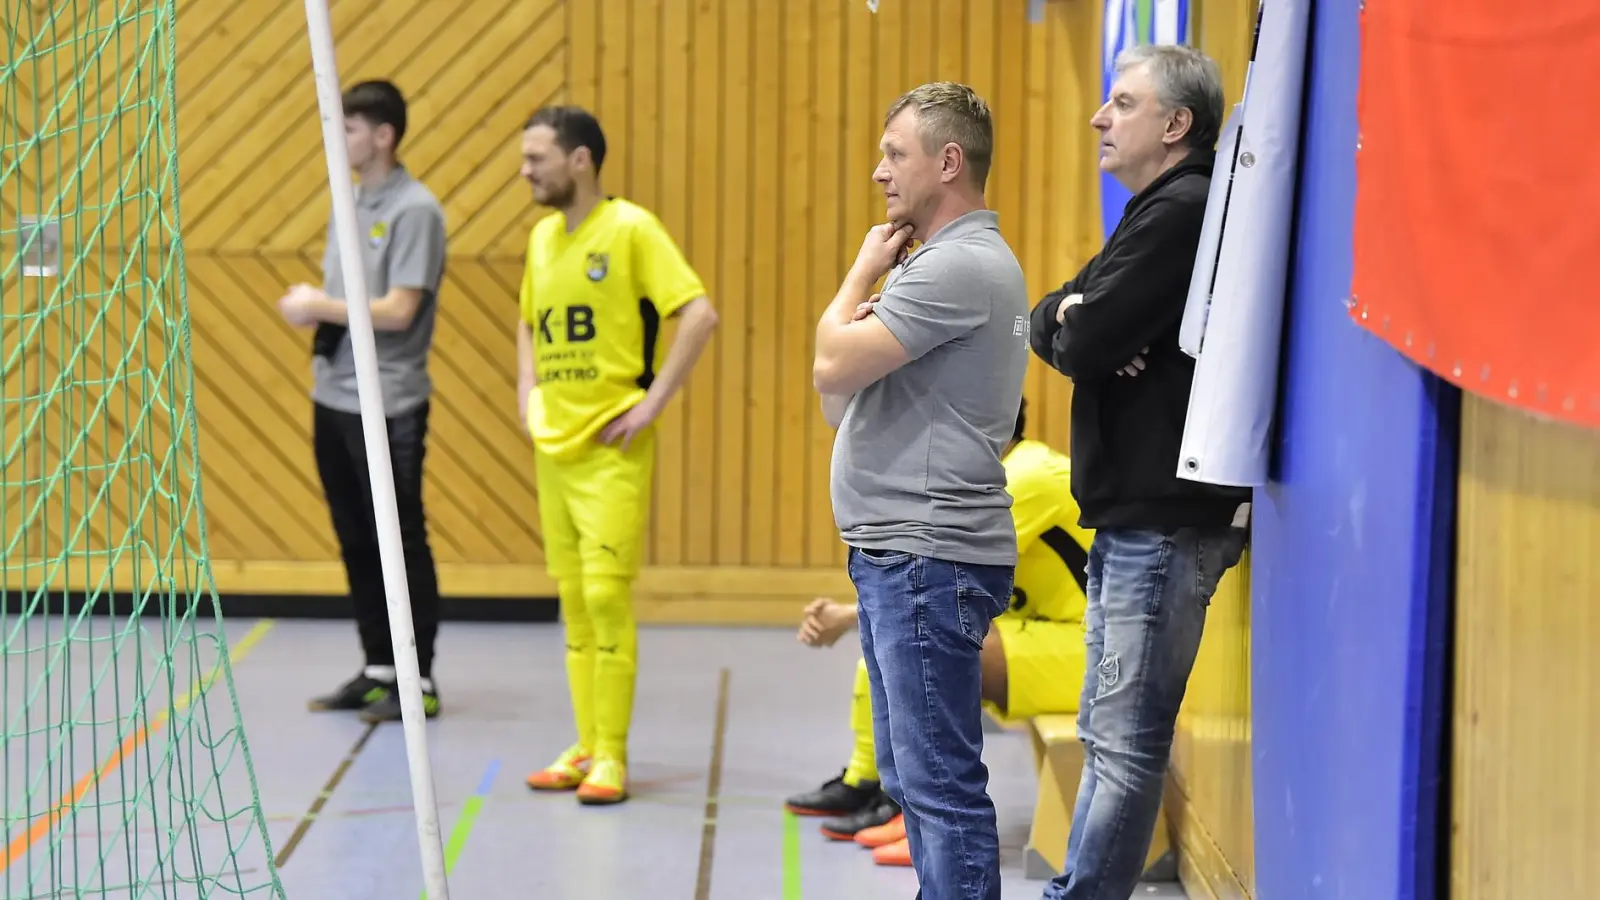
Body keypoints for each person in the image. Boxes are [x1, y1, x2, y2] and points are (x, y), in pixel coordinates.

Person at [1027, 45, 1250, 900]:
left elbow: (1080, 338)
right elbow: (1051, 316)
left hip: (1162, 522)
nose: (1099, 116)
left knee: (1123, 742)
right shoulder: (1155, 209)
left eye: (1121, 103)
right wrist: (1077, 322)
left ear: (1175, 124)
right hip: (1136, 521)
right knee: (1107, 731)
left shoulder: (1180, 211)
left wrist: (1083, 327)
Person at [812, 81, 1029, 900]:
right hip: (909, 554)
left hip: (924, 558)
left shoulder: (957, 267)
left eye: (893, 153)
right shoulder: (952, 264)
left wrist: (860, 274)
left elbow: (830, 365)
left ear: (947, 161)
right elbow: (842, 400)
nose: (879, 173)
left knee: (940, 790)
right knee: (922, 786)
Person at [515, 105, 720, 806]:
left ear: (580, 160)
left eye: (537, 157)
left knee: (605, 597)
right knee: (573, 602)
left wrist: (652, 402)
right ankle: (584, 744)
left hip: (611, 446)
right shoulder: (541, 239)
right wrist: (526, 394)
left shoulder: (631, 228)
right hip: (555, 446)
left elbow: (698, 313)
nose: (525, 170)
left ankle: (614, 757)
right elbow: (526, 323)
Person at [787, 400, 1092, 872]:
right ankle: (876, 790)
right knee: (902, 647)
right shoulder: (995, 476)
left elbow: (942, 570)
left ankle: (921, 817)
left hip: (1086, 650)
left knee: (917, 650)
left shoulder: (1024, 477)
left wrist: (846, 616)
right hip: (1051, 634)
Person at [277, 80, 448, 724]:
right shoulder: (348, 202)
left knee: (400, 538)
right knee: (356, 538)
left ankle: (418, 677)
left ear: (383, 135)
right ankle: (379, 667)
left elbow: (400, 311)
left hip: (389, 403)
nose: (339, 139)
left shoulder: (415, 211)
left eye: (349, 128)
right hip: (335, 396)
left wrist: (315, 306)